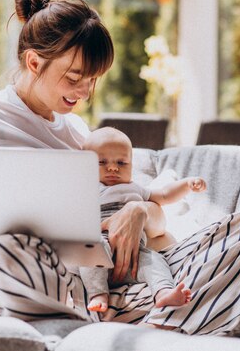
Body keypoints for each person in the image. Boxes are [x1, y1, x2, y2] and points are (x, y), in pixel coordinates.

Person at [0, 0, 240, 335]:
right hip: (27, 275)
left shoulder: (79, 133)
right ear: (33, 62)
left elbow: (152, 221)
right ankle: (144, 321)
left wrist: (136, 212)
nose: (85, 92)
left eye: (93, 81)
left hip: (106, 278)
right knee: (7, 254)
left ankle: (136, 320)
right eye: (75, 78)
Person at [80, 127, 207, 315]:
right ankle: (98, 294)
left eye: (122, 163)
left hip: (134, 256)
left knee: (155, 260)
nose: (113, 167)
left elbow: (164, 194)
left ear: (132, 165)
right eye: (102, 162)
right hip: (100, 250)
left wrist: (187, 184)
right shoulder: (87, 188)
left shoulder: (135, 189)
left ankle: (163, 291)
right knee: (89, 248)